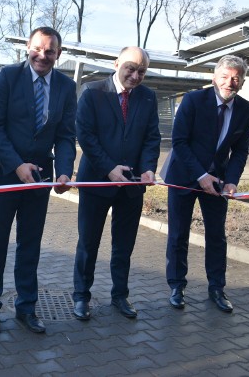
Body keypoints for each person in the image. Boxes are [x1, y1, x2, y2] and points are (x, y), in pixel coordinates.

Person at [0, 26, 76, 336]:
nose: (43, 55)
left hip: (40, 179)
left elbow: (64, 135)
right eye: (38, 48)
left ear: (58, 55)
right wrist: (17, 165)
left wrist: (63, 171)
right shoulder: (7, 76)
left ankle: (27, 307)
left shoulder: (66, 86)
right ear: (28, 48)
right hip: (4, 175)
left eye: (50, 51)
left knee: (30, 245)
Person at [71, 46, 161, 320]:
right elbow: (85, 136)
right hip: (97, 181)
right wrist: (109, 169)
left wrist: (147, 169)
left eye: (142, 71)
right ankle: (81, 297)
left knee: (124, 244)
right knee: (89, 242)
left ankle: (120, 295)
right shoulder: (93, 92)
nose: (135, 75)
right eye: (131, 68)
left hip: (132, 184)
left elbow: (151, 138)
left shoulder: (147, 97)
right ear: (116, 64)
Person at [164, 54, 249, 313]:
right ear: (214, 77)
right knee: (178, 234)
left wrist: (232, 182)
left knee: (216, 236)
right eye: (225, 77)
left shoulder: (247, 111)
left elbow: (240, 151)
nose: (230, 82)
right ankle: (177, 286)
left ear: (242, 82)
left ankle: (217, 288)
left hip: (218, 182)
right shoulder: (193, 100)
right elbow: (179, 142)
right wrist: (200, 176)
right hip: (183, 176)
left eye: (236, 78)